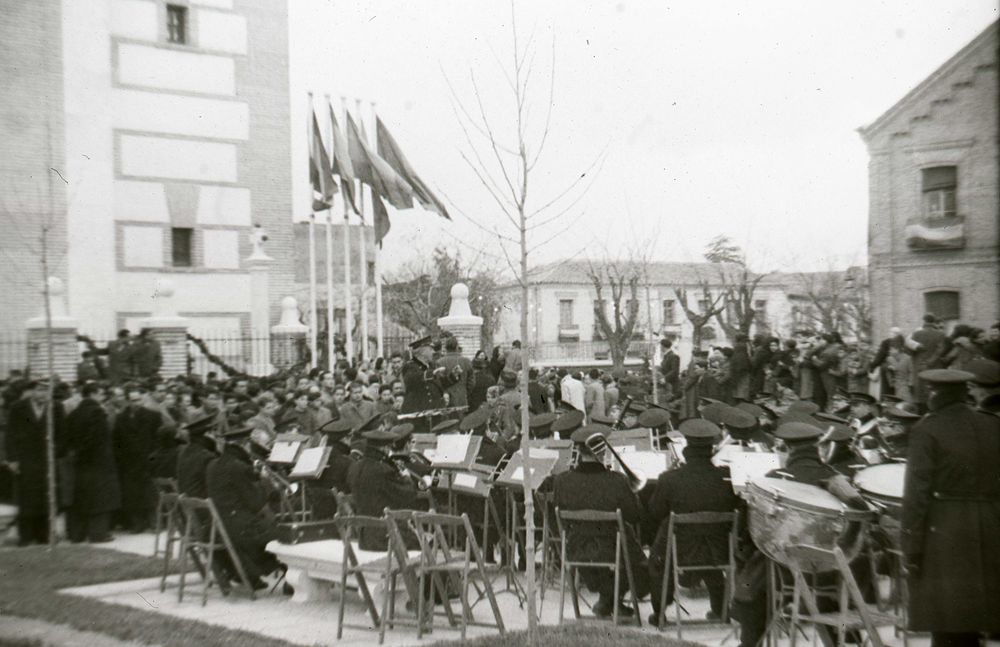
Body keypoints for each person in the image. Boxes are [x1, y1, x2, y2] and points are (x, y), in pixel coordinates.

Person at [902, 369, 1000, 647]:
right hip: (991, 520)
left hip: (945, 527)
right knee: (981, 608)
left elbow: (916, 494)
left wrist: (911, 546)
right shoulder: (992, 424)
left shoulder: (928, 428)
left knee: (948, 618)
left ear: (935, 394)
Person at [646, 418, 743, 626]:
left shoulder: (670, 478)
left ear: (686, 449)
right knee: (707, 545)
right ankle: (720, 608)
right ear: (711, 449)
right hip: (719, 550)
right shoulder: (728, 478)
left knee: (658, 556)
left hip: (679, 549)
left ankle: (659, 611)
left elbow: (655, 512)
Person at [550, 423, 650, 618]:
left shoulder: (562, 481)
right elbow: (635, 516)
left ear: (577, 451)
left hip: (576, 549)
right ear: (603, 451)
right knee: (639, 560)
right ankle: (611, 600)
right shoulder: (617, 480)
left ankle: (608, 601)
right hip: (614, 551)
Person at [206, 423, 282, 590]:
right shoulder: (238, 467)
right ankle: (290, 583)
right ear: (243, 445)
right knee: (284, 533)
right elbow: (256, 504)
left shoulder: (214, 464)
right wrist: (264, 482)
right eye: (249, 444)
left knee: (271, 524)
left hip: (221, 524)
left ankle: (254, 576)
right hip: (240, 528)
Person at [5, 380, 66, 545]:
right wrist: (12, 459)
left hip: (47, 460)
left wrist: (56, 451)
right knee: (27, 498)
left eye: (47, 391)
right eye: (39, 390)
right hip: (26, 460)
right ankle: (26, 536)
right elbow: (10, 434)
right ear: (31, 391)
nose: (43, 394)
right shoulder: (18, 408)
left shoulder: (56, 408)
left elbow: (62, 434)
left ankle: (44, 535)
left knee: (47, 497)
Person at [346, 428, 426, 550]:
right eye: (388, 448)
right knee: (427, 543)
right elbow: (408, 495)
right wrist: (407, 478)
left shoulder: (354, 467)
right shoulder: (383, 471)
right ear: (384, 448)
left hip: (364, 537)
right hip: (387, 537)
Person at [65, 383, 120, 543]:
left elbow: (69, 438)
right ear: (94, 394)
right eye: (101, 393)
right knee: (101, 498)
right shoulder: (98, 413)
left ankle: (78, 534)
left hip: (81, 463)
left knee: (81, 497)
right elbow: (99, 440)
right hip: (99, 462)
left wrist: (78, 452)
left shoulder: (74, 413)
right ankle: (98, 534)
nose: (102, 396)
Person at [401, 337, 460, 432]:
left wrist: (453, 376)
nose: (433, 352)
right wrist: (431, 374)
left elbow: (439, 385)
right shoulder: (409, 366)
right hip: (418, 418)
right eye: (431, 349)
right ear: (423, 351)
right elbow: (412, 379)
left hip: (434, 416)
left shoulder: (432, 366)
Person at [906, 314, 946, 410]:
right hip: (935, 367)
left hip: (919, 368)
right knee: (934, 391)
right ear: (934, 322)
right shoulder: (940, 334)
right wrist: (931, 361)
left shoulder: (916, 334)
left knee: (920, 395)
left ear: (924, 321)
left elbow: (911, 351)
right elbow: (940, 350)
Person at [437, 336, 472, 408]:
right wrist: (464, 392)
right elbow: (471, 382)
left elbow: (438, 383)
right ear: (457, 347)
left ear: (446, 348)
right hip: (461, 399)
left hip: (446, 400)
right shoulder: (466, 361)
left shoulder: (439, 362)